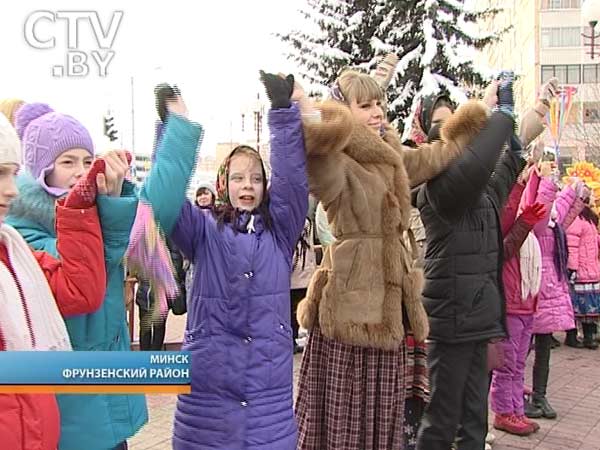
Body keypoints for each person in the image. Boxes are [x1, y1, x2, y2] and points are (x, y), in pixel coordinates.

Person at [294, 66, 505, 449]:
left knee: (383, 416)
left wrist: (484, 108)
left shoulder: (390, 153)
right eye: (365, 105)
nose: (377, 112)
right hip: (351, 305)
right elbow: (314, 150)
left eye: (379, 103)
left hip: (390, 305)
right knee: (347, 418)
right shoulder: (337, 160)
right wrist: (305, 103)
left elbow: (436, 154)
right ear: (343, 111)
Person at [141, 72, 307, 449]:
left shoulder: (279, 235)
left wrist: (283, 114)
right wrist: (172, 131)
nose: (247, 186)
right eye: (237, 178)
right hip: (207, 398)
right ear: (222, 184)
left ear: (265, 187)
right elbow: (162, 202)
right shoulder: (202, 230)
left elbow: (294, 182)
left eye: (255, 179)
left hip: (267, 401)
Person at [7, 103, 148, 450]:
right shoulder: (21, 230)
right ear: (41, 170)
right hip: (73, 404)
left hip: (107, 391)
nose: (79, 172)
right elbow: (83, 275)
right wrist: (105, 209)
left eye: (87, 161)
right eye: (67, 162)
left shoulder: (90, 214)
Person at [415, 74, 525, 450]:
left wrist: (518, 119)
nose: (451, 133)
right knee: (442, 422)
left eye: (455, 123)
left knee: (475, 425)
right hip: (451, 320)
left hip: (480, 320)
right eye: (440, 126)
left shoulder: (481, 192)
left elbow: (509, 164)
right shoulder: (437, 189)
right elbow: (479, 163)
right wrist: (500, 114)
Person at [0, 114, 107, 450]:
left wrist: (77, 210)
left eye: (13, 174)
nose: (11, 190)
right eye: (0, 173)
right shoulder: (23, 239)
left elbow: (80, 291)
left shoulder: (13, 253)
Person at [565, 195, 600, 349]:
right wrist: (572, 269)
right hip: (580, 271)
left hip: (592, 269)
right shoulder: (576, 220)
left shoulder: (589, 218)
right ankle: (574, 336)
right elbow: (572, 245)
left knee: (591, 306)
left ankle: (589, 336)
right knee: (577, 306)